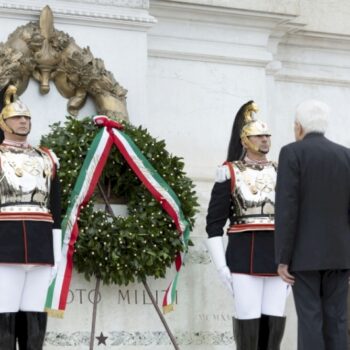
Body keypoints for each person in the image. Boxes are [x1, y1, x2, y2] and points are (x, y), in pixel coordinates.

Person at [206, 101, 289, 350]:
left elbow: (294, 219)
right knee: (248, 320)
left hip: (279, 256)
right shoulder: (229, 171)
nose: (265, 140)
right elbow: (213, 225)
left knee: (274, 323)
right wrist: (221, 266)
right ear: (245, 140)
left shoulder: (282, 170)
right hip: (244, 255)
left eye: (267, 135)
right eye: (258, 136)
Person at [275, 99, 350, 350]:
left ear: (298, 127)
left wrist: (282, 258)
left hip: (304, 256)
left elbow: (287, 208)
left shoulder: (291, 152)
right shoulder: (346, 155)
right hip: (340, 255)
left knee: (310, 321)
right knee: (337, 321)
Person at [0, 85, 62, 349]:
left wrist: (56, 248)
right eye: (16, 116)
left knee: (35, 317)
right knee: (5, 314)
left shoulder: (46, 157)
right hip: (6, 242)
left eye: (27, 117)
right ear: (3, 121)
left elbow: (55, 205)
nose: (24, 120)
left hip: (40, 244)